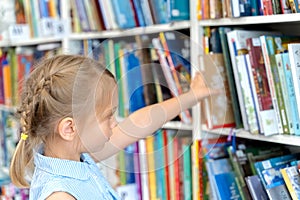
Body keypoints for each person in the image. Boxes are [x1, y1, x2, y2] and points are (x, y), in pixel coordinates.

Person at [9, 55, 219, 199]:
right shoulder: (60, 194)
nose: (115, 123)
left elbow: (138, 123)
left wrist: (192, 96)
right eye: (108, 116)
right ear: (69, 129)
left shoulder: (78, 158)